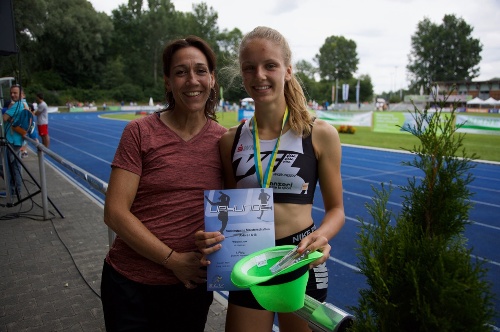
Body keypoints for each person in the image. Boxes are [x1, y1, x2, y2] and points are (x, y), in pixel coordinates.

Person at [196, 26, 345, 332]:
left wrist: (323, 236)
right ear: (242, 75)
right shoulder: (230, 140)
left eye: (270, 66)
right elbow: (226, 206)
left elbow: (336, 210)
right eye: (249, 68)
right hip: (249, 259)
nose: (259, 75)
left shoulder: (319, 134)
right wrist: (211, 234)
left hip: (299, 257)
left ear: (288, 71)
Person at [100, 36, 227, 331]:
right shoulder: (140, 132)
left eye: (200, 70)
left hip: (190, 288)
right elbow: (115, 212)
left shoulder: (226, 140)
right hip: (130, 285)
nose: (192, 80)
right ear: (168, 82)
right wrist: (173, 260)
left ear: (212, 79)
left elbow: (237, 210)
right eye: (181, 72)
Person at [1, 85, 29, 197]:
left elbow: (3, 118)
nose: (12, 95)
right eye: (11, 93)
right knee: (15, 167)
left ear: (21, 94)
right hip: (17, 140)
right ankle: (16, 191)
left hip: (12, 140)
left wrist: (7, 114)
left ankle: (12, 191)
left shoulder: (17, 105)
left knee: (10, 167)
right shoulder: (23, 104)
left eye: (15, 93)